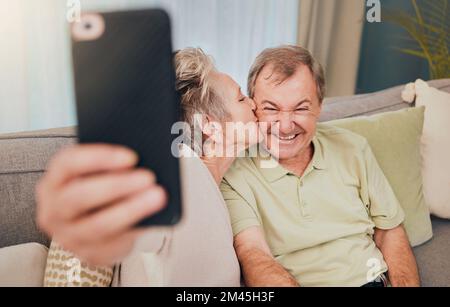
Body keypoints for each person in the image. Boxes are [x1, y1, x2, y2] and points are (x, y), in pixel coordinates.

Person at [38, 48, 259, 286]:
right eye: (241, 98)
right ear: (210, 126)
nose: (254, 104)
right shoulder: (181, 170)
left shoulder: (210, 186)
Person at [220, 45, 420, 287]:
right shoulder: (235, 171)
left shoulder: (353, 148)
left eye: (301, 108)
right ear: (253, 107)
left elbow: (390, 231)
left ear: (319, 106)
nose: (285, 126)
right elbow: (253, 254)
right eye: (271, 108)